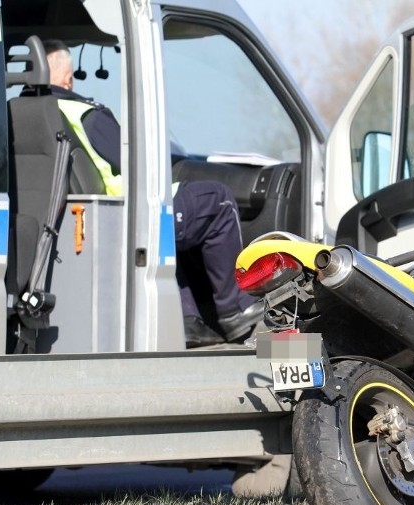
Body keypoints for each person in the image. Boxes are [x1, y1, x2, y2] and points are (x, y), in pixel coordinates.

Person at [40, 39, 262, 347]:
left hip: (76, 224)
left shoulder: (26, 113)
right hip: (126, 218)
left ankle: (187, 320)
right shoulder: (84, 114)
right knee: (218, 200)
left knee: (180, 213)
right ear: (68, 78)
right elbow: (140, 167)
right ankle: (234, 308)